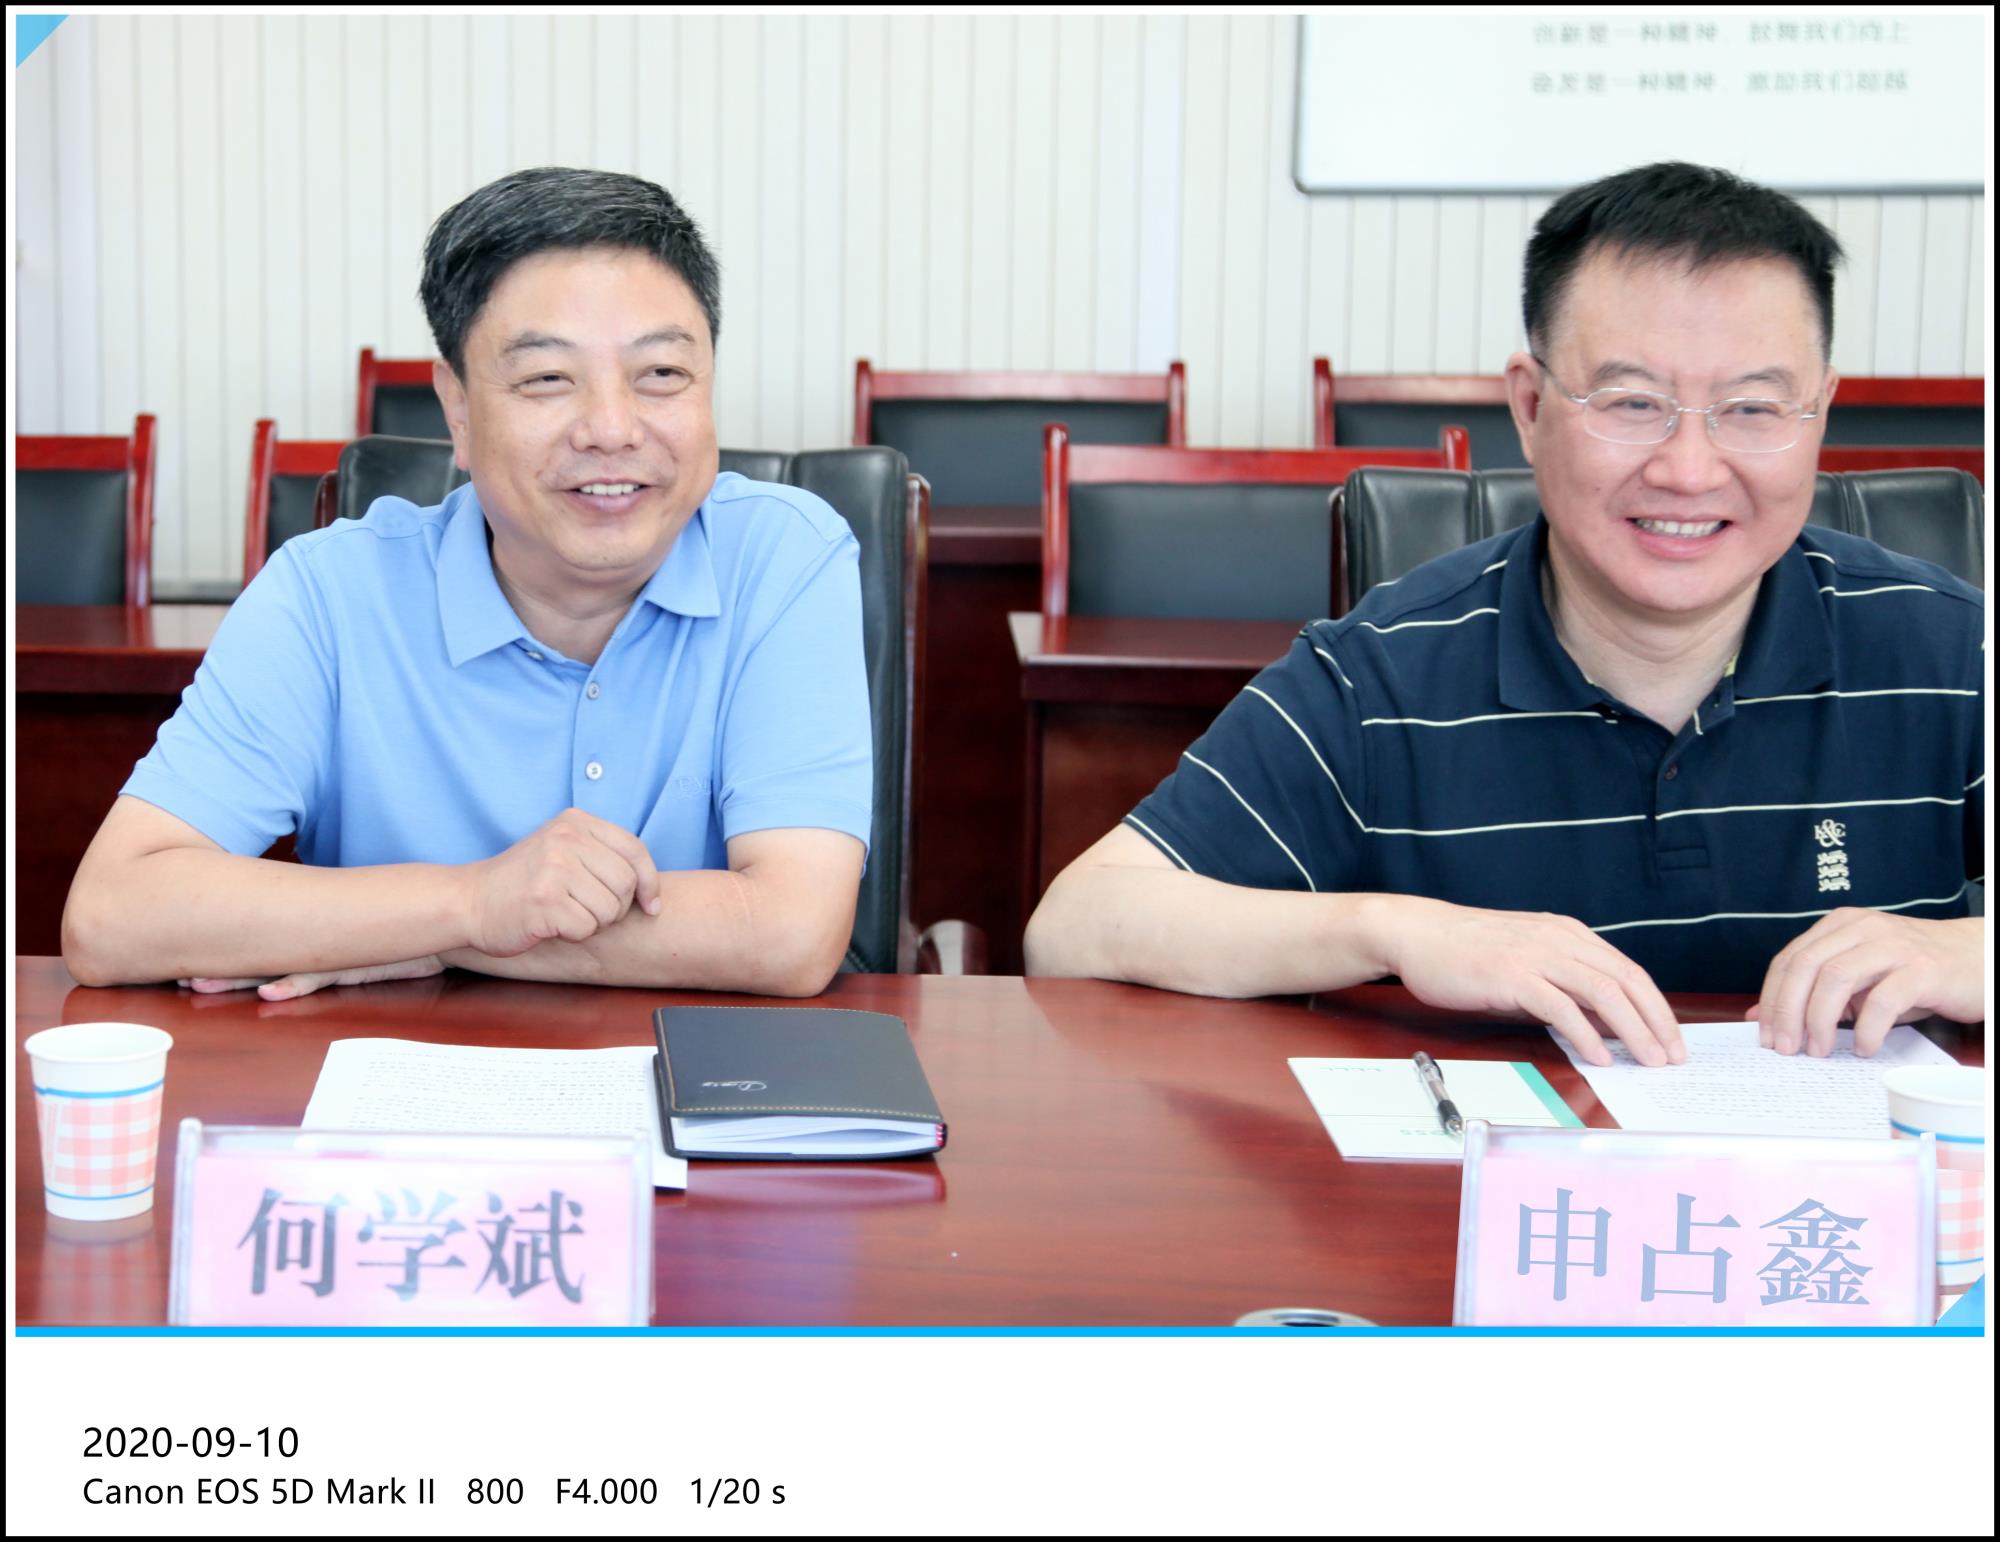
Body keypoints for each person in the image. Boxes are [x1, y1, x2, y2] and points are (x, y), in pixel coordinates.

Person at [1025, 161, 1984, 1066]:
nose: (1690, 470)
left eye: (1754, 409)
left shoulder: (1953, 651)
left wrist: (1970, 950)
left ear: (1820, 413)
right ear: (1528, 407)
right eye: (1632, 402)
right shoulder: (1380, 676)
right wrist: (1394, 930)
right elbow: (1077, 926)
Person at [63, 167, 873, 999]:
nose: (611, 429)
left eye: (662, 373)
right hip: (389, 1070)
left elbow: (789, 934)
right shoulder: (329, 592)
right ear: (457, 409)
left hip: (699, 1071)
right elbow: (112, 915)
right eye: (547, 378)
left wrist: (405, 934)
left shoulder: (783, 557)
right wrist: (472, 904)